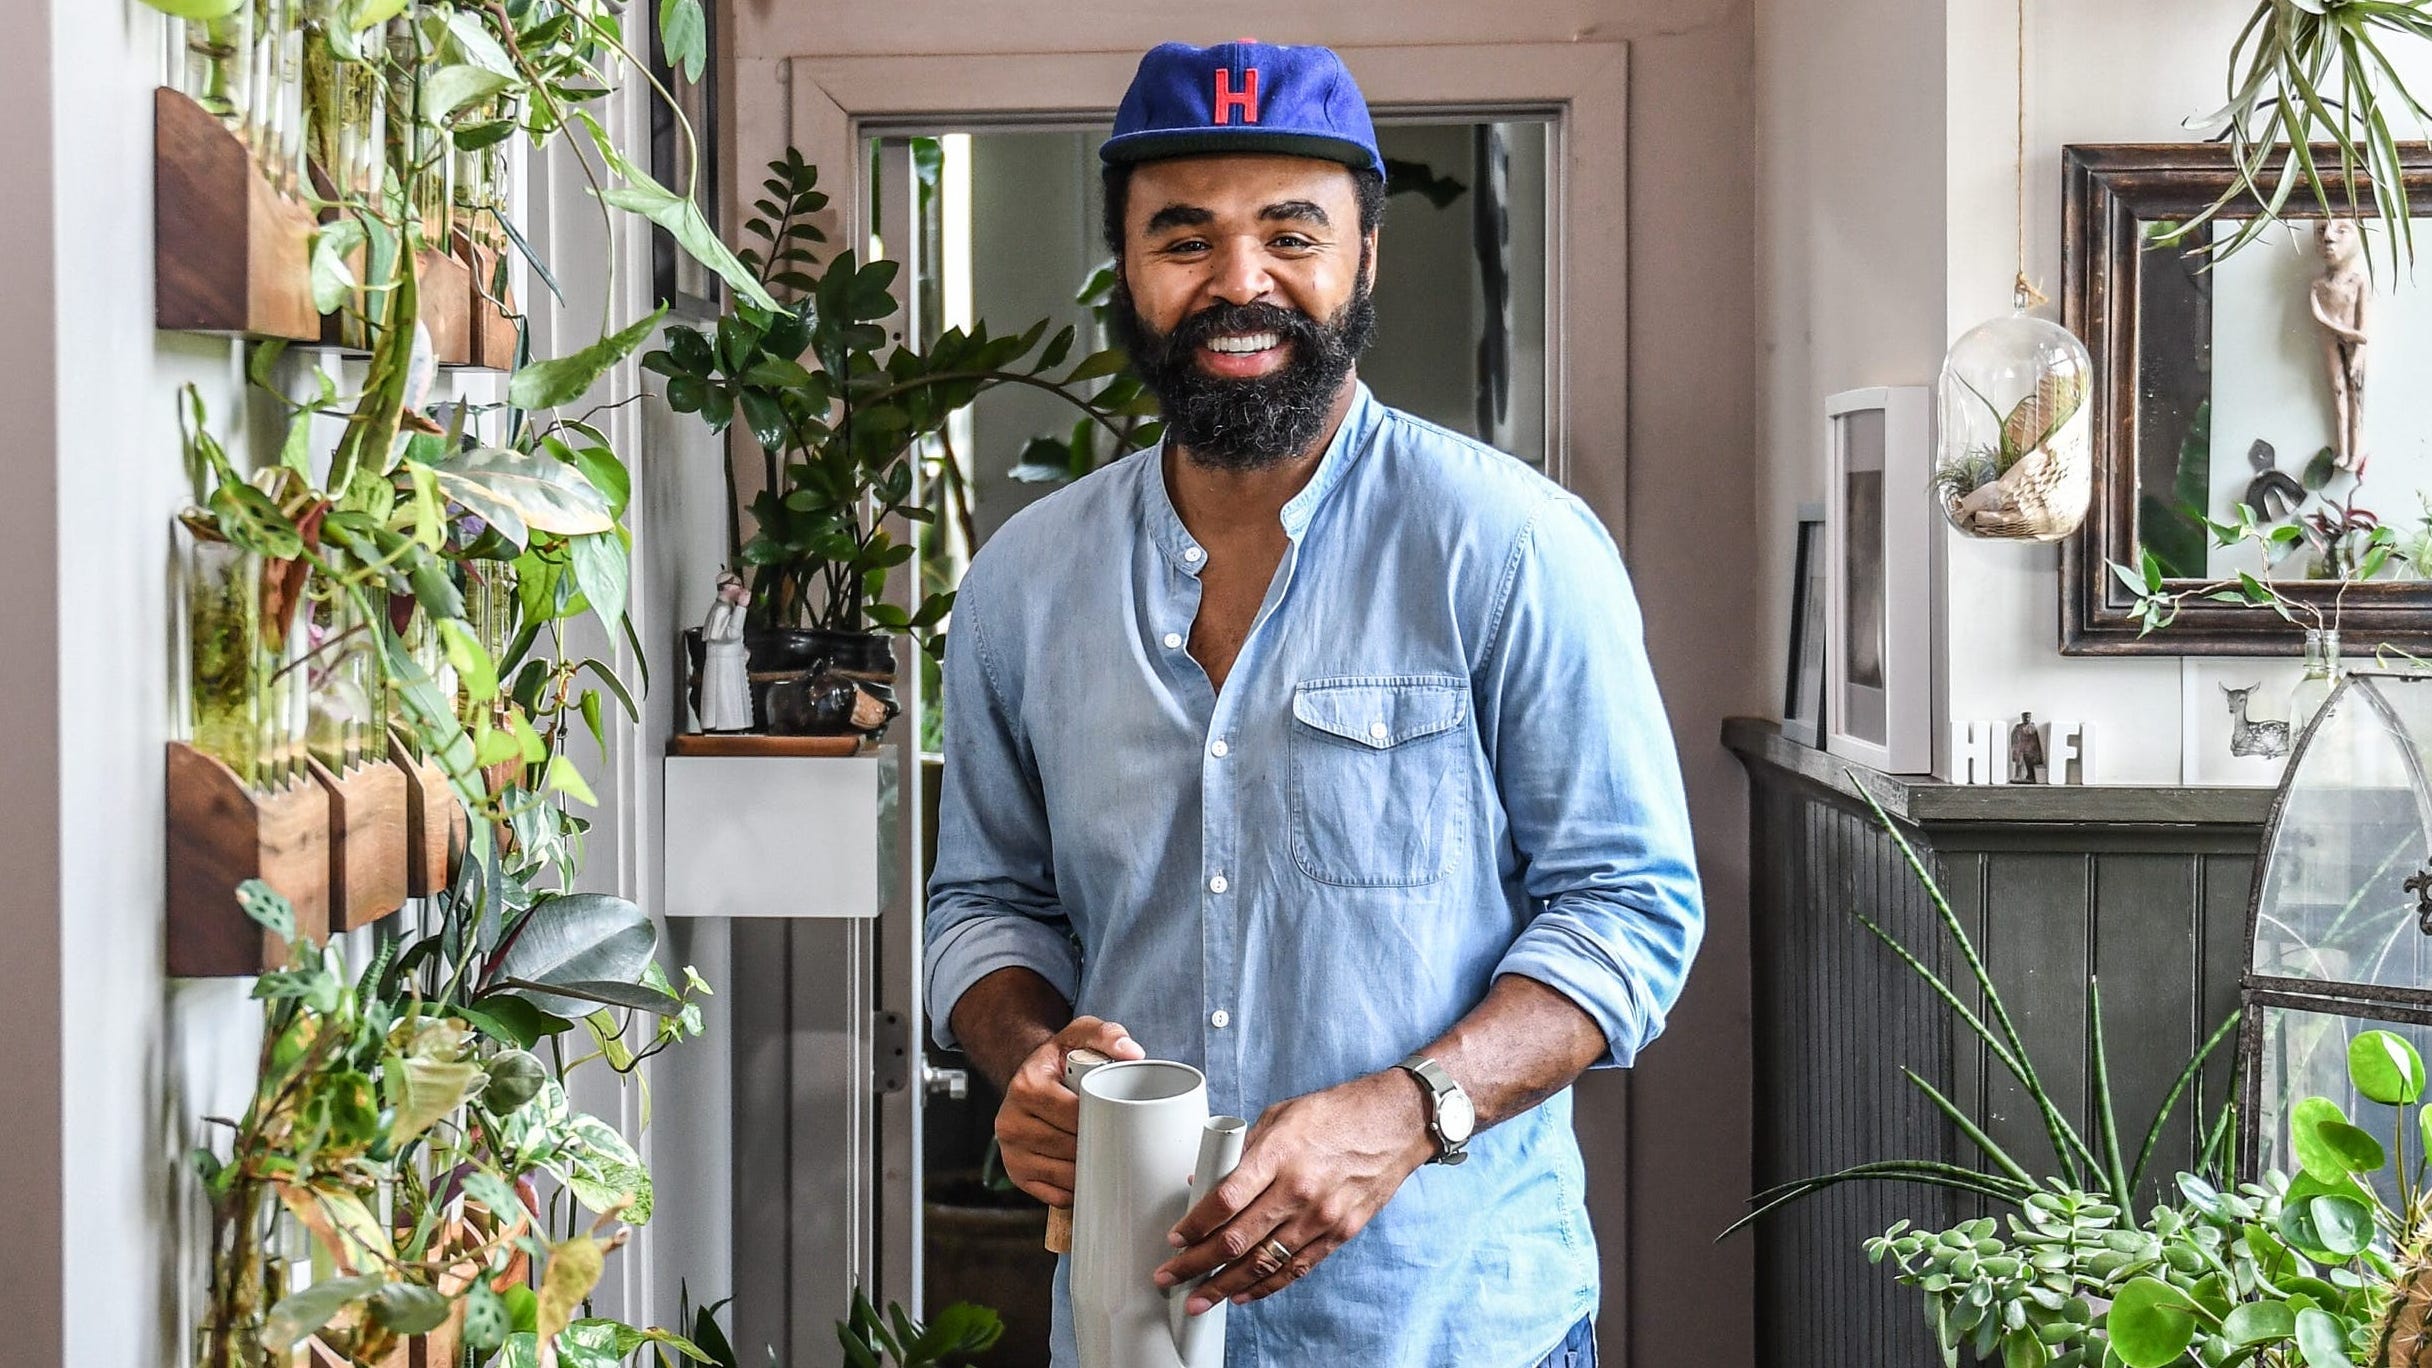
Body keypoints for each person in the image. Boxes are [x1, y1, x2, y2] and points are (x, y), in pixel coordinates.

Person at [924, 40, 1703, 1368]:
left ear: (1365, 258)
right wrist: (1029, 1052)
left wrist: (1412, 1112)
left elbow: (1631, 907)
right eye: (1186, 237)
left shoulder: (1512, 550)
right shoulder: (1020, 585)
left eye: (1292, 232)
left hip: (1451, 1325)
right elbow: (984, 903)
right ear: (1124, 265)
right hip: (1136, 1319)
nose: (1241, 282)